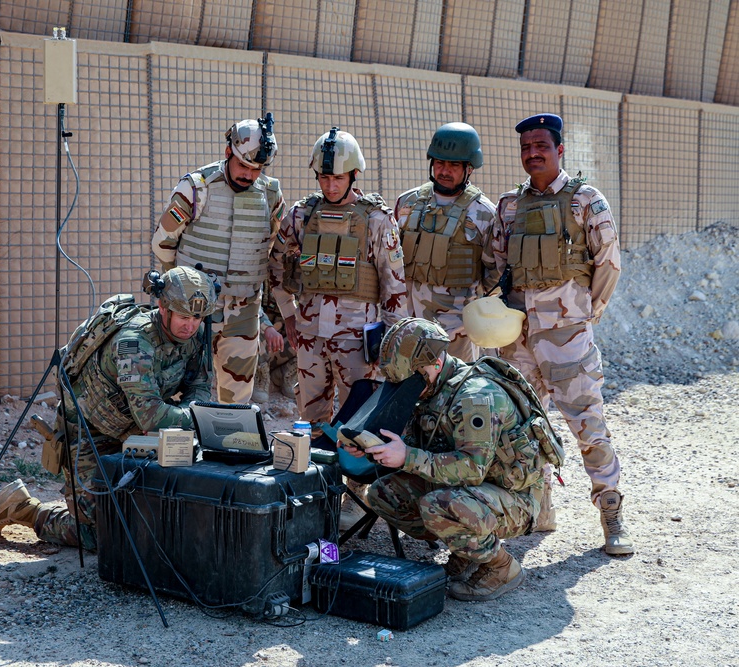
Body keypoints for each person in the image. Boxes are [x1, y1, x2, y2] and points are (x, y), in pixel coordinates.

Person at [0, 266, 217, 550]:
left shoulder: (195, 337)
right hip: (90, 432)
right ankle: (23, 508)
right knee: (99, 532)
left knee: (157, 512)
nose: (190, 326)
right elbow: (152, 416)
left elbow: (200, 386)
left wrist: (193, 408)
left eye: (197, 318)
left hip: (134, 431)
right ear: (162, 306)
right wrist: (196, 415)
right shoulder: (134, 342)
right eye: (183, 316)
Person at [490, 113, 632, 556]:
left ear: (559, 150)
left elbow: (608, 263)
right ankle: (540, 508)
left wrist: (584, 318)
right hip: (519, 339)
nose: (533, 153)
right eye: (527, 147)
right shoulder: (508, 206)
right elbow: (498, 267)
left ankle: (611, 514)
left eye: (542, 146)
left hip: (567, 336)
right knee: (522, 429)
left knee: (588, 426)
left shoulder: (585, 200)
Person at [344, 318, 549, 601]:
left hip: (515, 497)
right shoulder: (432, 388)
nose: (408, 386)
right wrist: (376, 451)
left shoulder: (475, 397)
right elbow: (422, 447)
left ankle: (500, 565)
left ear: (435, 363)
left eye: (413, 377)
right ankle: (466, 547)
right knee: (384, 493)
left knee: (437, 506)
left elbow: (472, 469)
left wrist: (407, 457)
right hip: (472, 491)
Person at [267, 127, 409, 432]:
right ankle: (315, 478)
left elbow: (394, 286)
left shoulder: (377, 220)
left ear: (355, 174)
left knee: (356, 424)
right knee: (311, 421)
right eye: (324, 178)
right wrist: (289, 315)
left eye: (338, 178)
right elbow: (275, 264)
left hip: (356, 339)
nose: (330, 186)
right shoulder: (301, 215)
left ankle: (354, 482)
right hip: (309, 336)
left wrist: (392, 346)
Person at [151, 116, 286, 404]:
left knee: (236, 400)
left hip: (243, 310)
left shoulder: (271, 194)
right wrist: (179, 292)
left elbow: (272, 249)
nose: (249, 176)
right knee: (176, 390)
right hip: (190, 310)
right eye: (243, 166)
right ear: (228, 153)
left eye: (256, 169)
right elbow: (163, 244)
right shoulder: (197, 187)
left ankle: (227, 446)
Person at [394, 122, 500, 362]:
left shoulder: (484, 213)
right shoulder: (407, 204)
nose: (444, 170)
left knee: (456, 396)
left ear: (469, 168)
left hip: (457, 335)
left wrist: (474, 323)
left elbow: (496, 277)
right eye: (440, 163)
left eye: (454, 165)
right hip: (409, 328)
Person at [252, 286, 298, 403]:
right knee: (253, 325)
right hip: (258, 343)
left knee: (311, 332)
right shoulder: (258, 275)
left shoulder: (294, 279)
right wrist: (266, 327)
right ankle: (261, 376)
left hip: (283, 345)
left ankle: (286, 374)